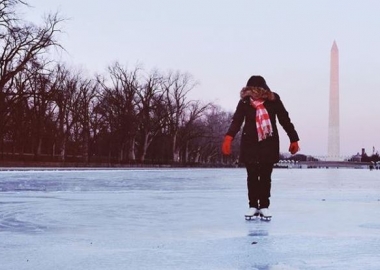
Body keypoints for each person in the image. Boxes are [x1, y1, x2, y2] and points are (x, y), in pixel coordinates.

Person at [222, 75, 300, 220]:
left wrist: (293, 138)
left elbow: (284, 119)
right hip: (250, 142)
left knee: (265, 176)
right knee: (252, 176)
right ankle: (253, 205)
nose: (254, 93)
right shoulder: (245, 102)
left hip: (268, 142)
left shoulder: (273, 100)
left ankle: (264, 206)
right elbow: (237, 120)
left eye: (256, 90)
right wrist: (229, 137)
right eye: (251, 90)